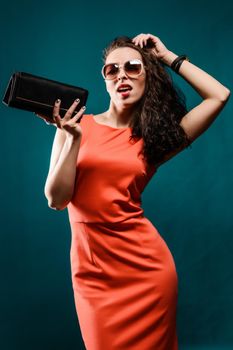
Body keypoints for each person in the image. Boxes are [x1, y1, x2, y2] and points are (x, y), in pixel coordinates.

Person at [38, 33, 230, 349]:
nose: (121, 75)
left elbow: (219, 96)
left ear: (147, 77)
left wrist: (167, 57)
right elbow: (56, 200)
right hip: (93, 274)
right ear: (104, 80)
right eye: (111, 70)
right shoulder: (74, 126)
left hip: (147, 272)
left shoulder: (155, 139)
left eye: (132, 67)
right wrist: (71, 138)